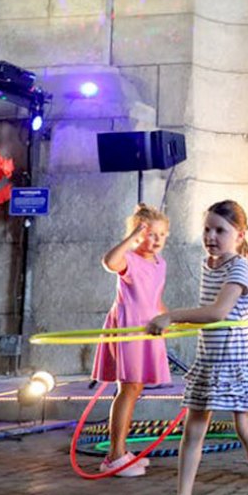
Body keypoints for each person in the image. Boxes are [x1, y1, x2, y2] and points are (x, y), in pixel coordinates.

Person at [147, 200, 248, 495]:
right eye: (207, 229)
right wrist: (175, 322)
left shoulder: (239, 267)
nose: (212, 236)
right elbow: (216, 313)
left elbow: (219, 313)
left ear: (240, 234)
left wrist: (171, 316)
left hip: (236, 360)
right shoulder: (209, 264)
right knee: (194, 428)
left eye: (221, 230)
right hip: (209, 359)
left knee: (245, 425)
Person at [91, 203, 172, 477]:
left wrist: (168, 318)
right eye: (150, 234)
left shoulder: (160, 264)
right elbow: (109, 262)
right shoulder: (130, 260)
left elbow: (154, 298)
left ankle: (121, 451)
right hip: (128, 328)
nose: (157, 239)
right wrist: (130, 238)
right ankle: (114, 456)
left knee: (135, 389)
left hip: (148, 329)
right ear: (137, 235)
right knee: (128, 387)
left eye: (162, 234)